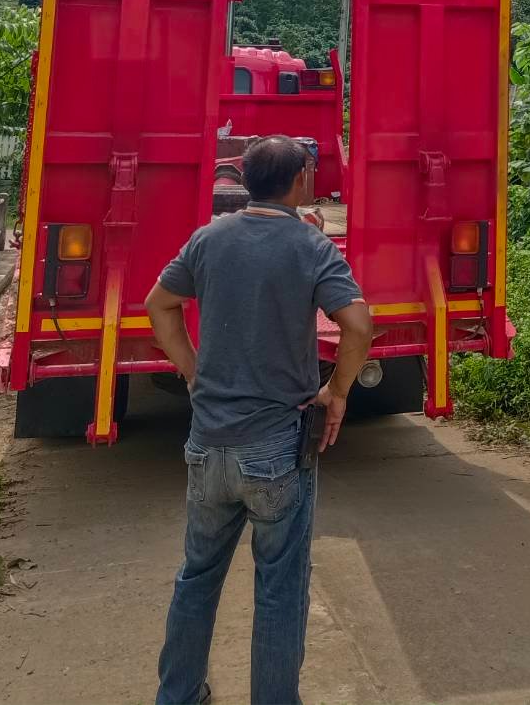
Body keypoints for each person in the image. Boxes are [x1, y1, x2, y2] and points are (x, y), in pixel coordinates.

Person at [147, 135, 373, 705]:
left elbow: (159, 305)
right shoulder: (309, 245)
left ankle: (178, 695)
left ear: (245, 179)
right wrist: (337, 391)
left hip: (207, 443)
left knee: (197, 576)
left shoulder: (208, 238)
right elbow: (358, 325)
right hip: (276, 450)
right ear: (299, 180)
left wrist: (194, 373)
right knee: (280, 588)